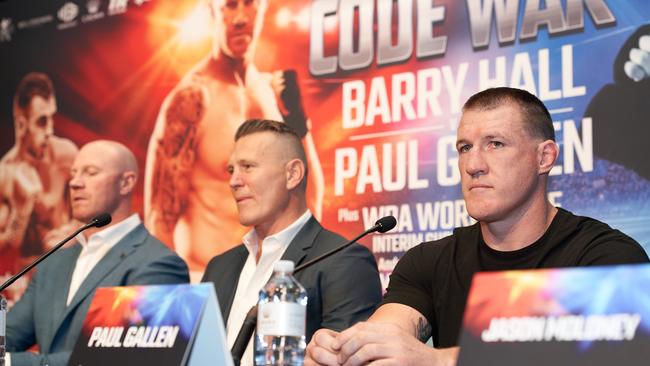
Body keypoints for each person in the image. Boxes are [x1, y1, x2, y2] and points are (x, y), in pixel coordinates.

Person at [305, 87, 650, 366]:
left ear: (544, 157)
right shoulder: (429, 260)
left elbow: (596, 356)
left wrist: (436, 361)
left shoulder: (605, 257)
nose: (473, 165)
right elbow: (390, 330)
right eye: (464, 147)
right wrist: (348, 350)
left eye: (495, 144)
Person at [144, 0, 324, 278]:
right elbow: (160, 220)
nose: (240, 18)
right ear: (212, 11)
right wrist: (174, 303)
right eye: (230, 5)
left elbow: (310, 201)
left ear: (262, 8)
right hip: (201, 283)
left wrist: (299, 123)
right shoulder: (191, 100)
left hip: (264, 282)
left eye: (249, 3)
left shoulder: (267, 91)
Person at [201, 119, 382, 366]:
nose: (234, 181)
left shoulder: (343, 260)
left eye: (248, 166)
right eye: (231, 170)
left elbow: (347, 361)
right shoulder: (219, 267)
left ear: (292, 174)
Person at [6, 140, 190, 366]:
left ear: (126, 183)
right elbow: (9, 333)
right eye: (73, 173)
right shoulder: (54, 263)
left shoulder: (159, 264)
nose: (74, 183)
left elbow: (122, 358)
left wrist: (10, 362)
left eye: (90, 172)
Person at [0, 72, 78, 279]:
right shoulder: (4, 175)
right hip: (25, 285)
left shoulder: (66, 155)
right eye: (42, 122)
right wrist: (22, 210)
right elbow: (5, 250)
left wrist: (73, 231)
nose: (50, 130)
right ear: (22, 124)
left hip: (66, 273)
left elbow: (96, 214)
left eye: (52, 118)